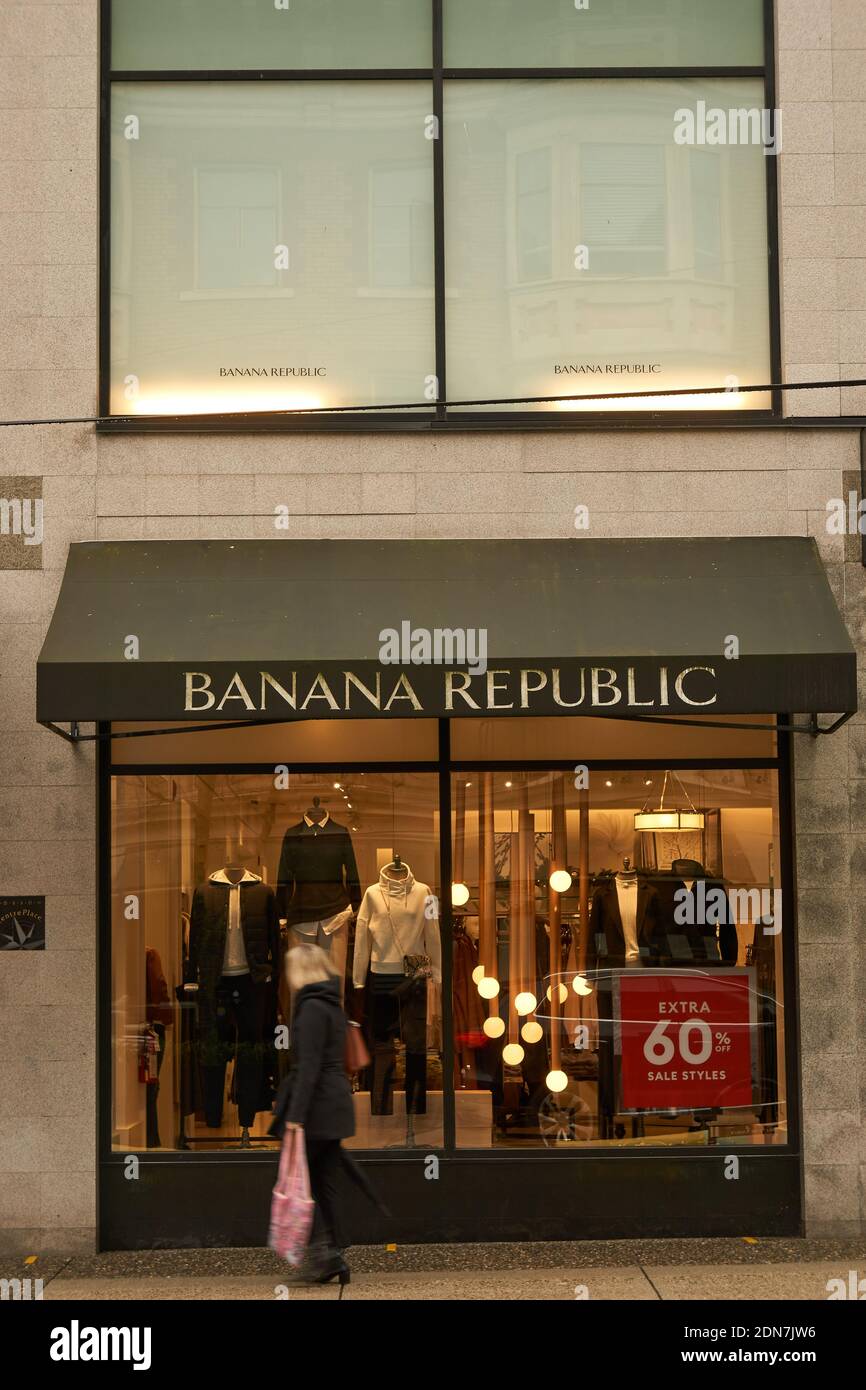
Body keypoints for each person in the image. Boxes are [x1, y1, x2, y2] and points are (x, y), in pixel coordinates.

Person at [269, 943, 356, 1287]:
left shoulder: (308, 1010)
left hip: (317, 1109)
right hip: (335, 1105)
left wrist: (295, 1116)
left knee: (303, 1185)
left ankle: (326, 1255)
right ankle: (333, 1251)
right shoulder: (332, 1005)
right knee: (325, 1183)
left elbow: (308, 1068)